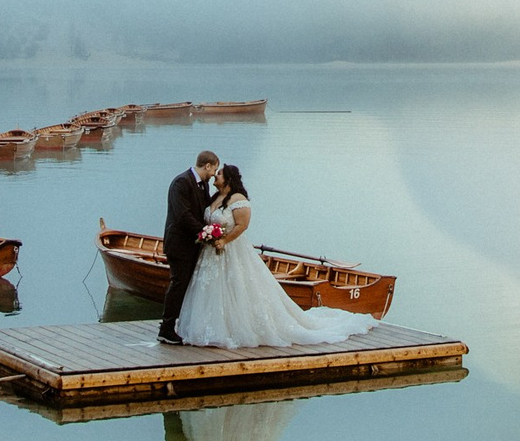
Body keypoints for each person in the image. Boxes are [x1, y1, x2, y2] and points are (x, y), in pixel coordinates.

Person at [176, 164, 380, 350]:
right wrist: (210, 236)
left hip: (231, 250)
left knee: (236, 286)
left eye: (219, 173)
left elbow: (242, 225)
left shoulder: (238, 199)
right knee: (211, 289)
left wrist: (224, 240)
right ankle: (211, 326)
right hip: (210, 254)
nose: (215, 176)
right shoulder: (214, 197)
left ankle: (237, 327)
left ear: (228, 178)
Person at [157, 150, 220, 346]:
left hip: (193, 245)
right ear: (207, 165)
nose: (214, 174)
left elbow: (204, 208)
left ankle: (179, 325)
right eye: (214, 169)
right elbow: (183, 215)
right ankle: (166, 329)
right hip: (179, 244)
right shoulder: (181, 182)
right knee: (178, 284)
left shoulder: (203, 185)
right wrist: (205, 231)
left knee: (186, 285)